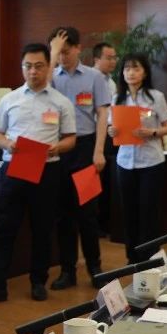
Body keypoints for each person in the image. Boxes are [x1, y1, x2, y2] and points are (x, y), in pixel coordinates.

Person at [0, 43, 76, 303]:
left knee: (42, 228)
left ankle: (38, 282)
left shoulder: (61, 102)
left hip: (47, 169)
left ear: (48, 67)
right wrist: (7, 144)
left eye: (39, 66)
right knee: (4, 227)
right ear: (22, 68)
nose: (33, 71)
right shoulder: (10, 99)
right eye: (28, 66)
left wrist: (57, 148)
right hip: (14, 168)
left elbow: (70, 138)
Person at [48, 26, 111, 289]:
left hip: (85, 147)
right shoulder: (51, 76)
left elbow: (102, 115)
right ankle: (67, 270)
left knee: (87, 212)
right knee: (63, 214)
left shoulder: (94, 77)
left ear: (77, 48)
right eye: (58, 52)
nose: (62, 56)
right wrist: (52, 55)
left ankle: (95, 267)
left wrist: (99, 150)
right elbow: (40, 91)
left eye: (66, 51)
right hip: (59, 147)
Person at [109, 53, 167, 260]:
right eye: (127, 69)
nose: (131, 73)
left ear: (144, 73)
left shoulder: (155, 97)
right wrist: (112, 131)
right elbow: (111, 127)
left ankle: (150, 256)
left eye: (136, 68)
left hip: (151, 162)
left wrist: (151, 132)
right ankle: (133, 257)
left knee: (148, 211)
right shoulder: (117, 98)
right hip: (125, 162)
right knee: (129, 211)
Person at [92, 42, 119, 235]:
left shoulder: (112, 83)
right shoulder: (89, 80)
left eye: (114, 57)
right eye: (108, 58)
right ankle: (95, 225)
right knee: (96, 182)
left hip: (112, 134)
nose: (113, 61)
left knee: (109, 181)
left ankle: (106, 224)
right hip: (94, 134)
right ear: (96, 59)